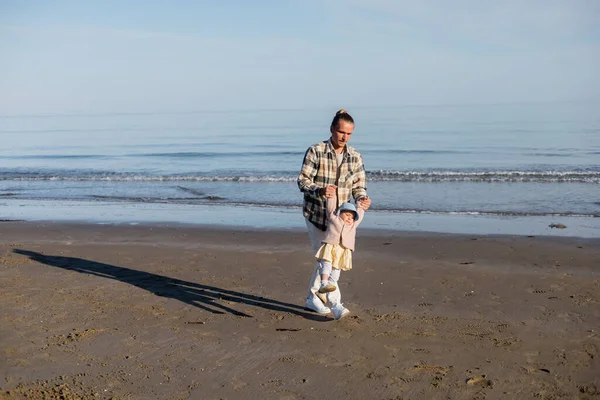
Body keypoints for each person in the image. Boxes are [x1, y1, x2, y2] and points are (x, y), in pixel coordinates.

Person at [297, 109, 371, 319]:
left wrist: (362, 199)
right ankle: (335, 304)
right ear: (331, 129)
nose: (344, 137)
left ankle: (314, 298)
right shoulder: (316, 151)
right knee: (325, 260)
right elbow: (302, 180)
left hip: (342, 221)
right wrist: (319, 190)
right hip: (317, 214)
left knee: (332, 261)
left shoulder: (355, 156)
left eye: (348, 134)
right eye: (340, 132)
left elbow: (359, 186)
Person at [314, 196, 366, 319]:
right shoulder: (334, 219)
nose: (350, 218)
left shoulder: (352, 225)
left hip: (342, 252)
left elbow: (360, 215)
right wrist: (330, 197)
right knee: (326, 265)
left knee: (335, 276)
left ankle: (322, 292)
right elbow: (331, 208)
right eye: (347, 214)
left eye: (352, 216)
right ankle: (323, 283)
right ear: (339, 214)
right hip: (331, 247)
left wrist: (360, 206)